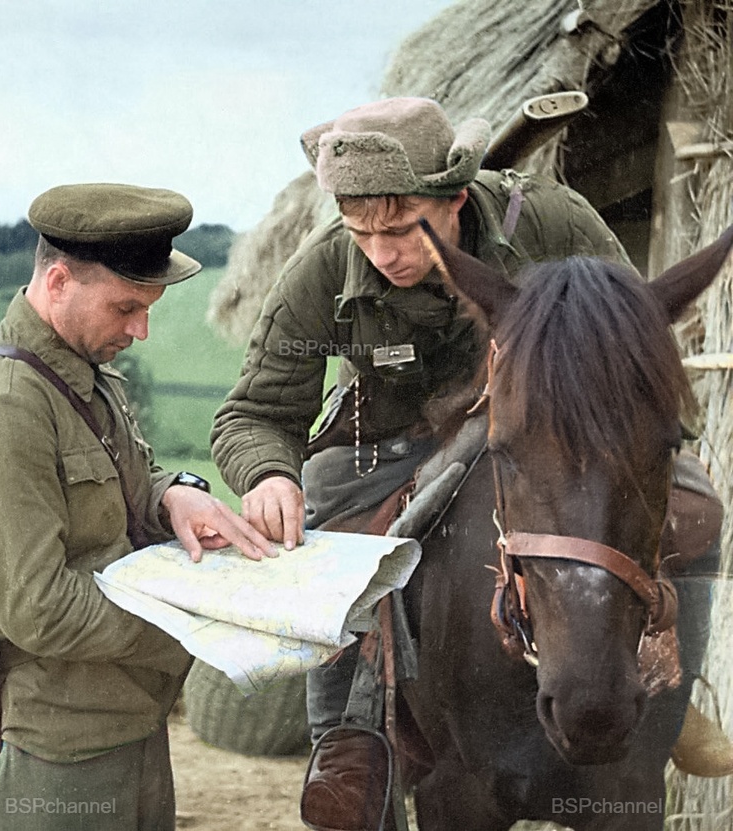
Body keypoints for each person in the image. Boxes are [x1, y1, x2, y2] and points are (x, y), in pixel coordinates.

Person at [210, 97, 731, 824]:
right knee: (323, 508)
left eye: (399, 229)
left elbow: (635, 338)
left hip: (549, 427)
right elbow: (253, 412)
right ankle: (347, 738)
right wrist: (267, 473)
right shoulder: (325, 266)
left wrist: (645, 436)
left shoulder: (550, 220)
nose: (381, 252)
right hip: (393, 443)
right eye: (363, 232)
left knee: (695, 500)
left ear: (455, 196)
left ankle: (674, 699)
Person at [0, 182, 276, 830]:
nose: (140, 330)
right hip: (44, 745)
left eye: (149, 308)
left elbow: (121, 482)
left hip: (117, 715)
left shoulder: (83, 371)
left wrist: (172, 496)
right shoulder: (4, 407)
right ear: (58, 283)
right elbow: (39, 607)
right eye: (126, 307)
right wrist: (196, 618)